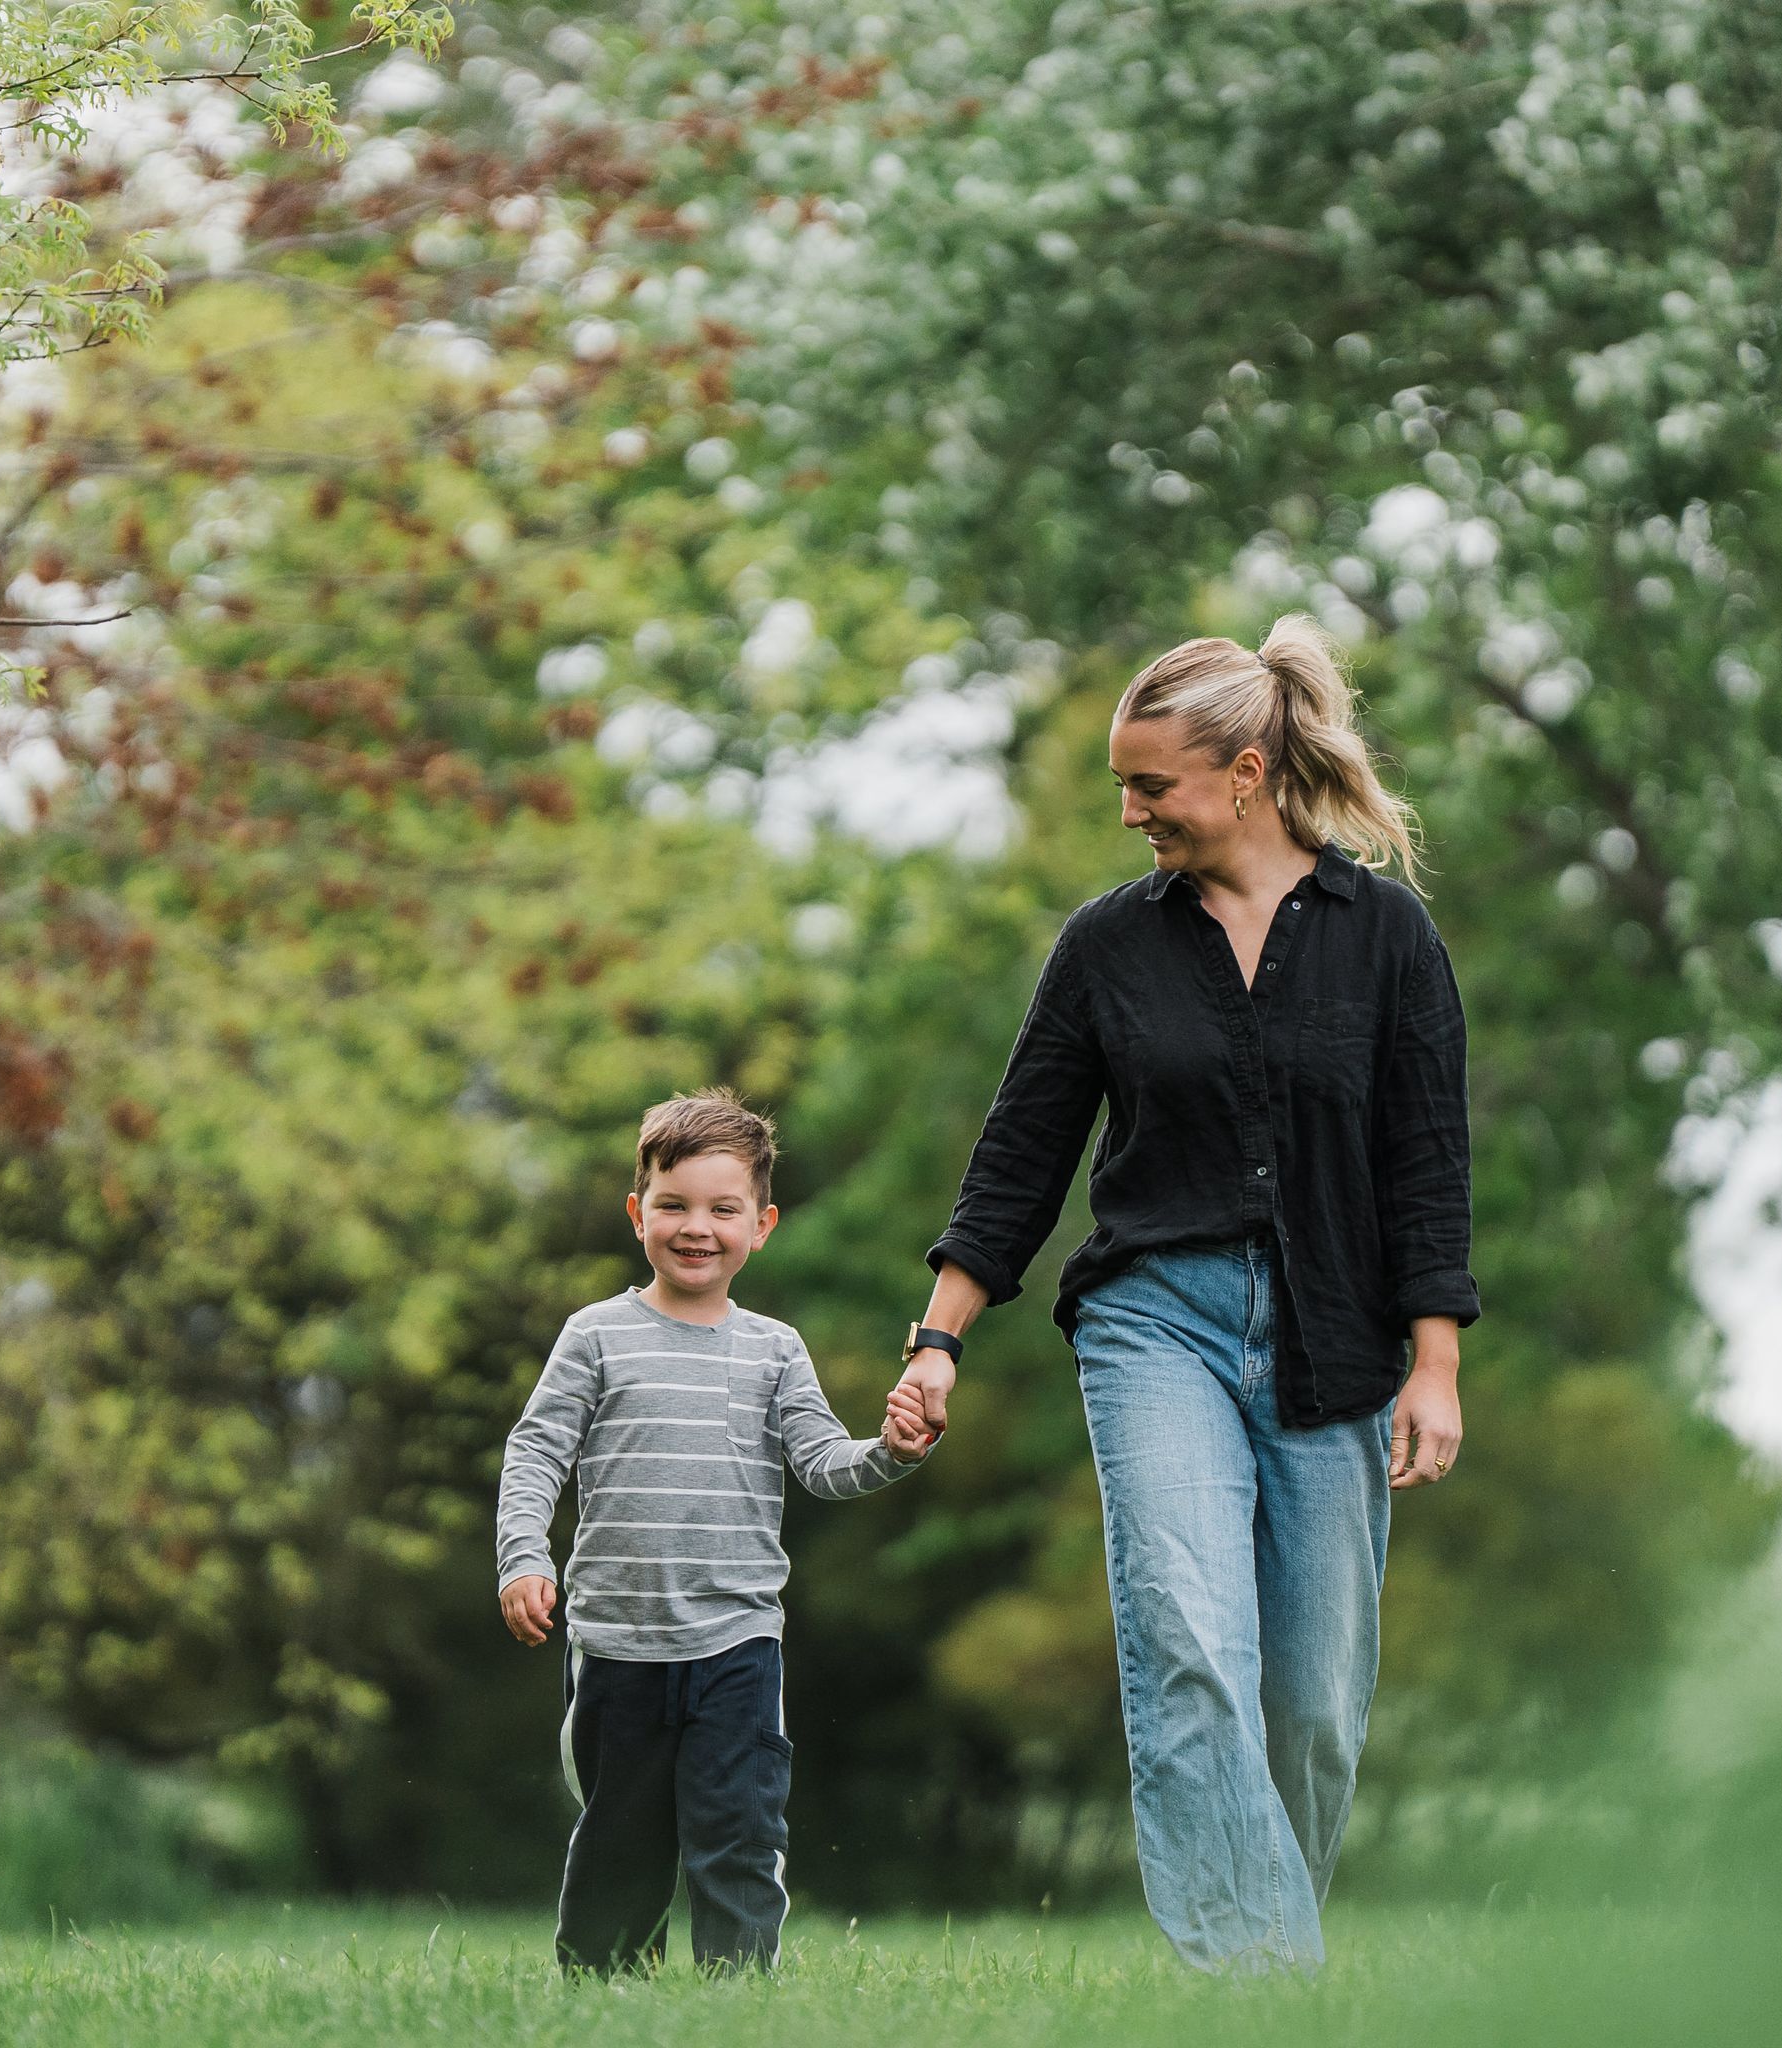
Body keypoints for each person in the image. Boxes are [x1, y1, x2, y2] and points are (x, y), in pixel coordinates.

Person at [891, 615, 1474, 1972]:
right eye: (1122, 786)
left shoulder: (1387, 939)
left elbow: (1428, 1161)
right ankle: (1262, 1982)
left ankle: (1267, 1948)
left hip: (1338, 1339)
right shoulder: (1108, 947)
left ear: (1250, 772)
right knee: (1191, 1649)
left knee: (1318, 1704)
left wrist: (1434, 1360)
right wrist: (938, 1342)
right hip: (1157, 1322)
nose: (1130, 811)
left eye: (1150, 786)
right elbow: (1022, 1156)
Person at [494, 1089, 936, 1974]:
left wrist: (892, 1450)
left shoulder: (774, 1349)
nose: (697, 1227)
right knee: (623, 1839)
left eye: (722, 1209)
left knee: (737, 1828)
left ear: (761, 1224)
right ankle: (605, 2001)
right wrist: (521, 1558)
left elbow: (820, 1462)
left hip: (737, 1641)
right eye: (674, 1205)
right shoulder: (596, 1337)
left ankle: (737, 1998)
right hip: (618, 1642)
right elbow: (536, 1450)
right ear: (638, 1213)